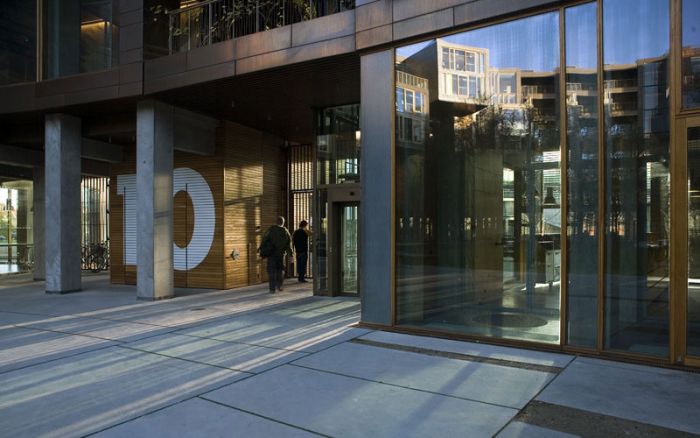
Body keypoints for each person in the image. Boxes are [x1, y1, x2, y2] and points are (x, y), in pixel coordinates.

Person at [260, 216, 293, 293]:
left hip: (271, 255)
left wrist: (262, 251)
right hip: (281, 255)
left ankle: (272, 289)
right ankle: (279, 286)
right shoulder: (286, 231)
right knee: (280, 271)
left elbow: (264, 240)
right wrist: (291, 255)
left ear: (276, 222)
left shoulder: (270, 230)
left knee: (271, 271)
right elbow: (289, 245)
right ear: (283, 222)